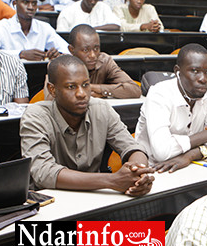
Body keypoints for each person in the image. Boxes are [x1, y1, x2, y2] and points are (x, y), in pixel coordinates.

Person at [20, 55, 154, 194]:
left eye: (85, 85)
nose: (81, 94)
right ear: (52, 90)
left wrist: (138, 174)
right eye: (71, 87)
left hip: (94, 197)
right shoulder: (35, 116)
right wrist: (111, 180)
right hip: (50, 201)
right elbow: (43, 172)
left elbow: (132, 147)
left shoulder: (101, 109)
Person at [135, 44, 207, 171]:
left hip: (192, 163)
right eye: (195, 71)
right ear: (178, 72)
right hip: (154, 169)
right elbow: (162, 152)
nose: (203, 79)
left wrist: (189, 156)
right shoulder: (159, 94)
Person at [43, 25, 140, 99]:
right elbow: (50, 99)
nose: (93, 55)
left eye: (96, 48)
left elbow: (134, 90)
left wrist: (95, 88)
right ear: (71, 50)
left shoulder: (104, 61)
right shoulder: (59, 65)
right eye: (86, 50)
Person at [0, 0, 69, 60]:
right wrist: (20, 54)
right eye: (26, 2)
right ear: (15, 4)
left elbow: (67, 50)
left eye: (34, 3)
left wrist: (58, 55)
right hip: (9, 71)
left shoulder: (44, 28)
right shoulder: (0, 28)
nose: (31, 7)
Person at [56, 0, 120, 32]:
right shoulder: (68, 12)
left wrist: (92, 29)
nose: (93, 2)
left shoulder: (103, 7)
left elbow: (116, 26)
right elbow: (61, 36)